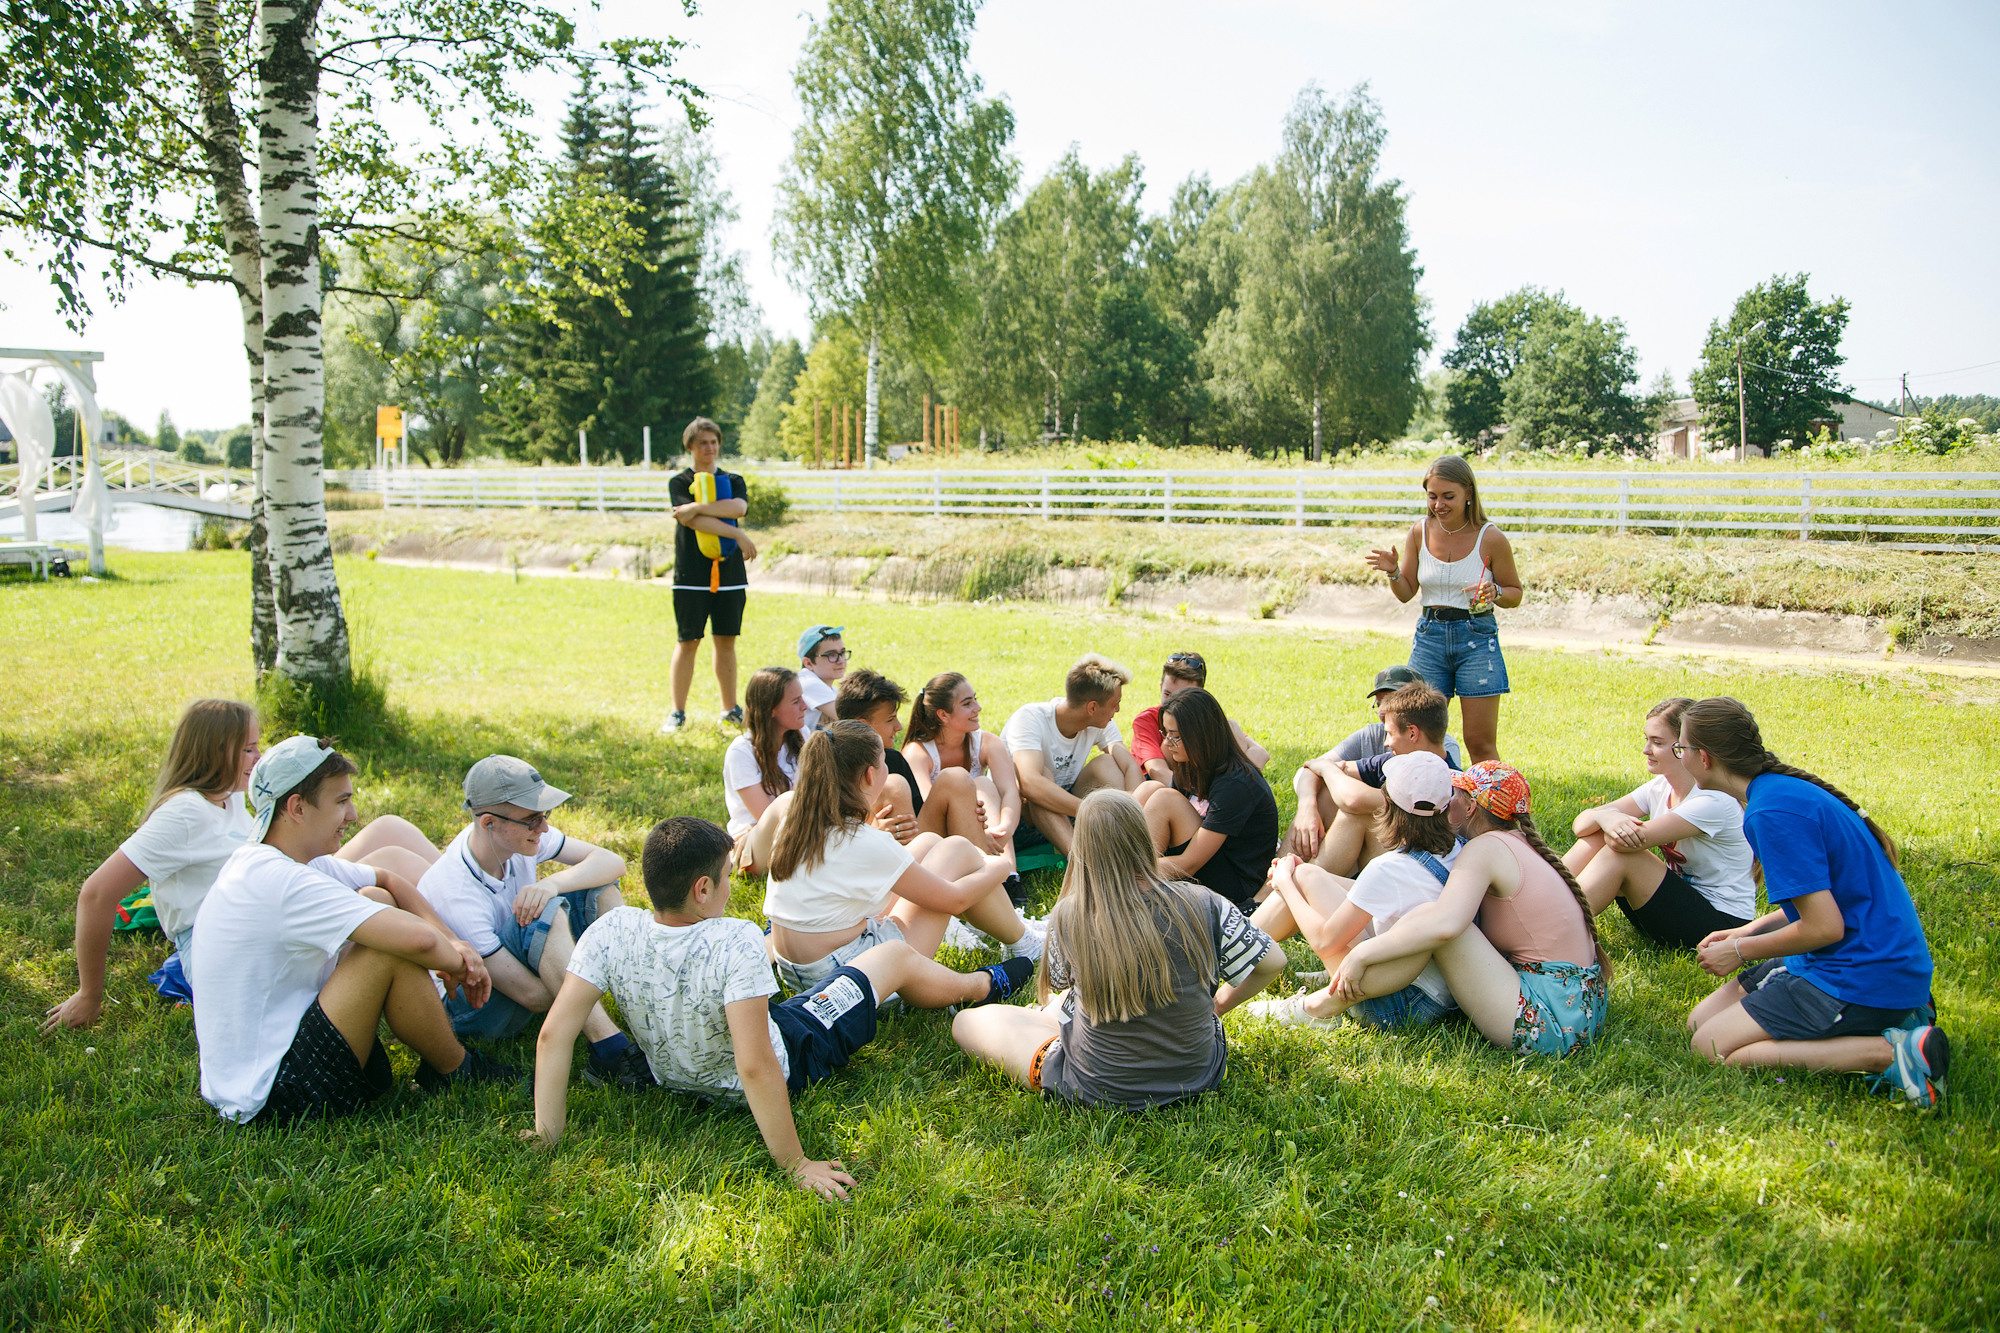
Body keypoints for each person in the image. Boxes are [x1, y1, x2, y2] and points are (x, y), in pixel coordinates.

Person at [528, 817, 1032, 1197]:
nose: (730, 887)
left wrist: (547, 1134)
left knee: (839, 977)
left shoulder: (613, 930)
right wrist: (795, 1164)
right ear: (702, 889)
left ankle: (976, 979)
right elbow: (756, 1063)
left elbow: (554, 1034)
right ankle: (984, 985)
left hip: (675, 1077)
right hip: (791, 1054)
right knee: (894, 957)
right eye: (726, 877)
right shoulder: (734, 939)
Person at [43, 698, 442, 1032]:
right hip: (234, 942)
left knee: (390, 830)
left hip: (278, 895)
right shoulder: (182, 813)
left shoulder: (230, 797)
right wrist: (89, 994)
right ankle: (458, 959)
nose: (260, 756)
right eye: (249, 749)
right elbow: (97, 894)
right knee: (385, 870)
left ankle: (462, 906)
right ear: (214, 753)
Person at [191, 737, 512, 1125]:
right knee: (386, 947)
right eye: (341, 801)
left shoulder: (283, 860)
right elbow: (419, 941)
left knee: (377, 900)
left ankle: (444, 1063)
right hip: (273, 1096)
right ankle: (457, 1069)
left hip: (273, 1059)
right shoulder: (281, 881)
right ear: (297, 808)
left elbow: (387, 879)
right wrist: (465, 965)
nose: (353, 814)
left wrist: (453, 939)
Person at [1677, 697, 1947, 1109]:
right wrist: (1747, 930)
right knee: (1698, 1023)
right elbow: (1815, 906)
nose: (1679, 756)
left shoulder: (1770, 813)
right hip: (1858, 958)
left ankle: (1893, 1052)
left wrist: (1740, 950)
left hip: (1863, 974)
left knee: (1709, 1048)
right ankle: (1892, 1018)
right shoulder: (1778, 790)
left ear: (1704, 758)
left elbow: (1824, 927)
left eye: (1680, 748)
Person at [951, 790, 1285, 1109]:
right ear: (1144, 836)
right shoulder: (1205, 902)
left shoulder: (1073, 916)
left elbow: (1058, 983)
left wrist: (1071, 887)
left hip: (1096, 1086)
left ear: (1082, 849)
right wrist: (1218, 1005)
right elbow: (1272, 962)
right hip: (1199, 1074)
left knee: (968, 1022)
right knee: (1056, 1011)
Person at [1303, 762, 1609, 1058]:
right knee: (1437, 916)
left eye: (1455, 796)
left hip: (1549, 1022)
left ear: (1470, 807)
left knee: (1434, 917)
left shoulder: (1485, 848)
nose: (1448, 803)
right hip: (1580, 1008)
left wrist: (1361, 955)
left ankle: (1317, 1007)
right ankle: (1334, 984)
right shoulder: (1519, 841)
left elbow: (1446, 924)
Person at [416, 756, 647, 1088]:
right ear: (488, 823)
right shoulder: (455, 893)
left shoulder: (513, 839)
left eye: (544, 815)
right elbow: (533, 997)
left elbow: (610, 863)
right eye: (532, 819)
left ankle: (644, 1010)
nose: (543, 828)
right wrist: (577, 976)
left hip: (516, 969)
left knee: (596, 886)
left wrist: (551, 883)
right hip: (473, 1010)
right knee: (542, 912)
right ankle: (610, 1051)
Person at [763, 721, 1042, 995]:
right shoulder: (861, 840)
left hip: (799, 970)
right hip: (854, 979)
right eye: (884, 762)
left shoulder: (798, 824)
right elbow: (955, 900)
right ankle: (1023, 941)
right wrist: (999, 865)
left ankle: (1012, 930)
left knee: (930, 842)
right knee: (959, 849)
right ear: (870, 775)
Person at [1245, 751, 1462, 1031]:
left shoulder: (1389, 868)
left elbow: (1324, 942)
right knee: (1308, 875)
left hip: (1390, 1004)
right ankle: (1233, 944)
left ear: (1388, 804)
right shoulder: (1457, 851)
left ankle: (1232, 948)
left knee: (1301, 880)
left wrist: (1286, 884)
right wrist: (1302, 877)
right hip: (1437, 995)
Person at [1565, 697, 1757, 950]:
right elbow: (1581, 826)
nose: (1646, 749)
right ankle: (1538, 901)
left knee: (1623, 854)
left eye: (1657, 742)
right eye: (1646, 739)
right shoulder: (1661, 786)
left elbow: (1622, 843)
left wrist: (1609, 817)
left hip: (1721, 926)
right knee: (1599, 833)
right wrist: (1604, 816)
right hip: (1678, 908)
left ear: (1687, 748)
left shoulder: (1713, 801)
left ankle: (1550, 927)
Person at [1364, 455, 1521, 763]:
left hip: (1477, 638)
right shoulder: (1419, 532)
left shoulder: (1490, 537)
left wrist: (1496, 592)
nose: (1439, 504)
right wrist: (1394, 571)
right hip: (1430, 637)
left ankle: (1492, 796)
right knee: (1416, 734)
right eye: (1432, 496)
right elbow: (1406, 593)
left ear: (1468, 493)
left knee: (1479, 742)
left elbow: (1515, 593)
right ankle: (1423, 794)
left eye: (1448, 496)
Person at [1286, 664, 1464, 860]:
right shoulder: (1395, 760)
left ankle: (1297, 874)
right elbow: (1311, 769)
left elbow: (1353, 799)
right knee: (1323, 793)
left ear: (1412, 733)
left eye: (1390, 733)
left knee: (1354, 815)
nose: (1386, 742)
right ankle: (1280, 873)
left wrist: (1326, 768)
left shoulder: (1445, 781)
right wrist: (1306, 807)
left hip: (1416, 865)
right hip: (1385, 854)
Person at [1134, 688, 1280, 913]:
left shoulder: (1236, 782)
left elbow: (1190, 863)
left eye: (1175, 736)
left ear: (1200, 736)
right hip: (1203, 867)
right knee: (1149, 789)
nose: (1168, 743)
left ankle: (1135, 896)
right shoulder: (1188, 765)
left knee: (1165, 799)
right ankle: (1135, 889)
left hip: (1233, 889)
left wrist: (1130, 870)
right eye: (1166, 733)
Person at [664, 417, 758, 733]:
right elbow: (692, 522)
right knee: (688, 640)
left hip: (730, 573)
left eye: (714, 442)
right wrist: (739, 534)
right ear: (690, 446)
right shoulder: (679, 482)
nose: (710, 448)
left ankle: (729, 709)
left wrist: (695, 507)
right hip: (691, 574)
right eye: (703, 442)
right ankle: (677, 712)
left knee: (726, 641)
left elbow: (738, 509)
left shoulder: (733, 479)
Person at [836, 669, 995, 852]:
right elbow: (823, 834)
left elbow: (918, 817)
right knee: (894, 784)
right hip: (864, 853)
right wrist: (871, 833)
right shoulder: (827, 764)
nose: (899, 727)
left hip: (918, 850)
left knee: (956, 777)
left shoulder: (892, 759)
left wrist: (964, 816)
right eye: (890, 719)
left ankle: (982, 866)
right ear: (864, 725)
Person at [1001, 653, 1145, 856]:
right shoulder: (1030, 719)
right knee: (1041, 778)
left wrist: (1131, 809)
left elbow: (1128, 765)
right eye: (1115, 704)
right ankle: (1082, 862)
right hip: (1020, 819)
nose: (1118, 710)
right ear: (1092, 707)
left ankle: (1127, 848)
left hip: (1069, 811)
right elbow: (1030, 784)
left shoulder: (1100, 723)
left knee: (1108, 763)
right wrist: (1091, 810)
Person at [902, 670, 1024, 858]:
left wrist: (1004, 830)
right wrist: (978, 834)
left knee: (983, 783)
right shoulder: (917, 752)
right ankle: (993, 866)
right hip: (934, 837)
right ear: (943, 715)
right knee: (960, 781)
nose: (978, 708)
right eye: (967, 704)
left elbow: (1010, 791)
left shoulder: (987, 743)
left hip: (981, 829)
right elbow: (929, 806)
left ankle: (1008, 871)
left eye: (975, 699)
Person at [1127, 652, 1269, 788]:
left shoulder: (1204, 717)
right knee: (1171, 740)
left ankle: (1232, 789)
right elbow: (1158, 772)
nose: (1173, 703)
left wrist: (1234, 782)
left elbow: (1260, 753)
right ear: (1160, 687)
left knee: (1230, 726)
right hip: (1165, 787)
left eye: (1183, 697)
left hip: (1208, 784)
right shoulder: (1147, 720)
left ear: (1199, 695)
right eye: (1167, 694)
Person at [722, 667, 807, 876]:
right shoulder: (741, 752)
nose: (805, 706)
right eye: (795, 701)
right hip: (753, 843)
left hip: (801, 829)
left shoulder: (801, 734)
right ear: (771, 709)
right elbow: (765, 817)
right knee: (786, 802)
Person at [795, 625, 847, 731]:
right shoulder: (808, 682)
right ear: (808, 663)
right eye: (831, 655)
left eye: (842, 653)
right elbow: (850, 719)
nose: (841, 660)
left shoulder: (832, 690)